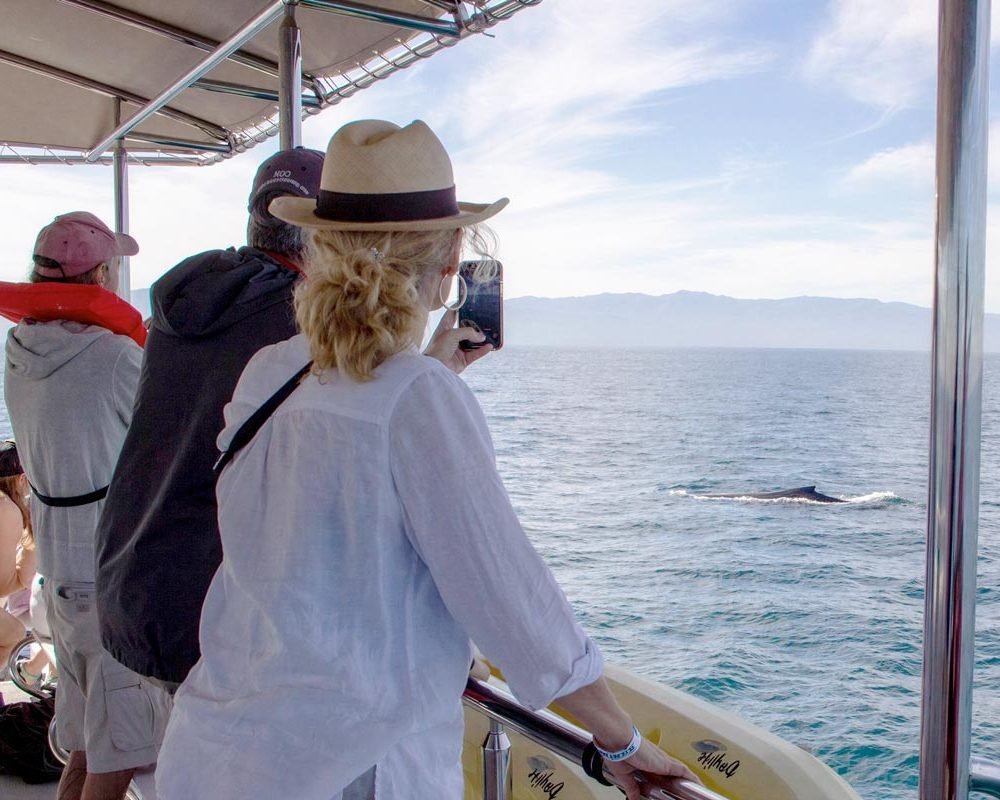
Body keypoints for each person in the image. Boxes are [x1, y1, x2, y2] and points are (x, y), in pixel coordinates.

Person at [155, 120, 696, 800]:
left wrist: (432, 374)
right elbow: (510, 601)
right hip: (345, 772)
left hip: (217, 752)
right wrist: (623, 742)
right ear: (450, 260)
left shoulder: (269, 371)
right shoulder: (415, 398)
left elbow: (325, 504)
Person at [94, 147, 325, 690]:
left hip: (131, 576)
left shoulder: (186, 306)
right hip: (204, 602)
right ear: (323, 236)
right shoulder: (296, 327)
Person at [4, 212, 171, 800]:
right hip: (106, 572)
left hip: (59, 568)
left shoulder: (18, 346)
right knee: (122, 750)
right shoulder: (114, 357)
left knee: (87, 741)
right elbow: (165, 438)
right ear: (99, 275)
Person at [0, 440, 33, 666]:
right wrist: (33, 545)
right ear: (22, 478)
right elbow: (4, 586)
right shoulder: (7, 509)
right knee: (14, 632)